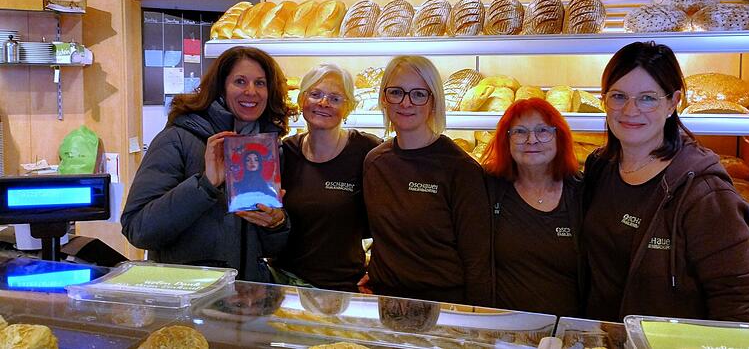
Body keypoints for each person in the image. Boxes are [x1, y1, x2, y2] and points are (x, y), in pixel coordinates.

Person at [582, 41, 749, 322]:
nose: (630, 110)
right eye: (619, 96)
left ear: (673, 102)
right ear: (604, 100)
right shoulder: (599, 167)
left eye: (647, 98)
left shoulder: (703, 191)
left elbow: (737, 304)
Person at [121, 46, 296, 281]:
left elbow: (268, 250)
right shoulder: (178, 139)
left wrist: (277, 224)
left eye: (260, 83)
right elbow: (138, 229)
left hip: (248, 301)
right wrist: (205, 185)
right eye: (240, 81)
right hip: (191, 299)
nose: (251, 91)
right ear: (221, 86)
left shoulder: (270, 151)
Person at [361, 55, 492, 306]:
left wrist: (475, 318)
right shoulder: (375, 162)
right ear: (384, 98)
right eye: (396, 92)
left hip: (443, 305)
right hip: (386, 302)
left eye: (419, 94)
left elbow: (477, 260)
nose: (406, 103)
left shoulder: (460, 169)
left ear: (434, 101)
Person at [273, 63, 381, 291]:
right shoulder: (285, 152)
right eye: (315, 94)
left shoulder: (367, 150)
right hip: (285, 283)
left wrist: (381, 268)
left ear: (348, 107)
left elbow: (390, 219)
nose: (323, 103)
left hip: (345, 286)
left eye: (335, 98)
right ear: (302, 100)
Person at [481, 98, 583, 316]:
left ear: (559, 137)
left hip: (566, 331)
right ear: (506, 140)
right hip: (502, 332)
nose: (532, 140)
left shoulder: (581, 193)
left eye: (543, 130)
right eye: (519, 132)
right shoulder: (488, 189)